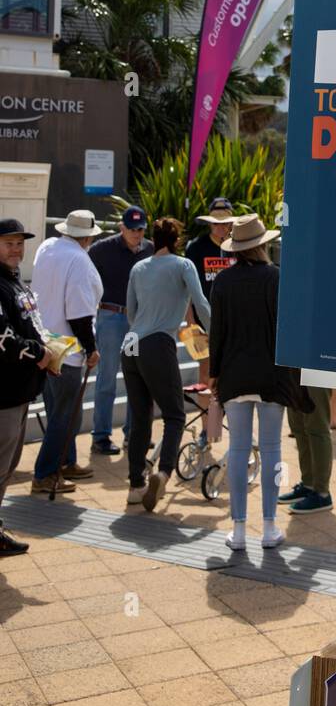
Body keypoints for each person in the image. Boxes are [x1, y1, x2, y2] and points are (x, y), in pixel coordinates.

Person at [208, 214, 313, 550]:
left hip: (234, 374)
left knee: (238, 450)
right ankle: (269, 525)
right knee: (272, 451)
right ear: (263, 245)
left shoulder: (222, 282)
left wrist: (214, 374)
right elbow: (288, 328)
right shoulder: (276, 279)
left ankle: (238, 530)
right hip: (271, 375)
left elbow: (217, 333)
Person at [124, 217, 210, 512]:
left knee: (140, 417)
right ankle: (163, 473)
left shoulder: (139, 267)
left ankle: (136, 485)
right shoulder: (183, 265)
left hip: (131, 345)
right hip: (158, 344)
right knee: (174, 415)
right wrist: (217, 333)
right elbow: (200, 304)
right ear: (176, 240)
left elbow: (131, 313)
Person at [31, 209, 104, 494]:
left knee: (57, 409)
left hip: (46, 341)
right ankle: (46, 473)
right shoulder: (79, 260)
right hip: (68, 348)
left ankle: (67, 460)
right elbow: (79, 314)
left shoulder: (48, 246)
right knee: (65, 414)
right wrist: (92, 349)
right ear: (87, 237)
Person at [0, 219, 53, 554]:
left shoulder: (13, 281)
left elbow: (30, 324)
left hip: (19, 389)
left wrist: (50, 354)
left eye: (20, 243)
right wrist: (39, 353)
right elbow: (2, 337)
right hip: (3, 392)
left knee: (7, 465)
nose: (16, 249)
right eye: (9, 243)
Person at [88, 206, 153, 455]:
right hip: (111, 318)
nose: (137, 234)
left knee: (135, 377)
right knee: (107, 378)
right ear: (121, 227)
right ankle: (101, 436)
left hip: (136, 323)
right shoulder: (101, 249)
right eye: (132, 229)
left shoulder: (149, 248)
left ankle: (133, 434)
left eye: (140, 229)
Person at [279, 383, 334, 515]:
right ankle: (309, 485)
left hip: (318, 369)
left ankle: (322, 494)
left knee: (317, 428)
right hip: (294, 368)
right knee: (298, 428)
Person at [185, 198, 235, 319]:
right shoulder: (195, 247)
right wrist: (190, 320)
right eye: (215, 223)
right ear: (209, 223)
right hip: (204, 318)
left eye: (225, 222)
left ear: (231, 223)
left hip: (234, 317)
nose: (220, 226)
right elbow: (186, 287)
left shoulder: (240, 247)